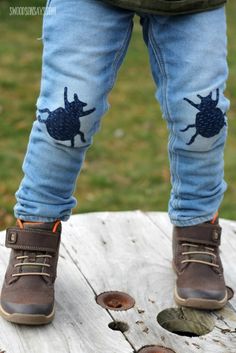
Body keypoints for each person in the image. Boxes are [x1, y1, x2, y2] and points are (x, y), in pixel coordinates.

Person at [0, 0, 229, 325]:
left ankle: (197, 228)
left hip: (191, 3)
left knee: (204, 117)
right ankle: (36, 236)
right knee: (68, 116)